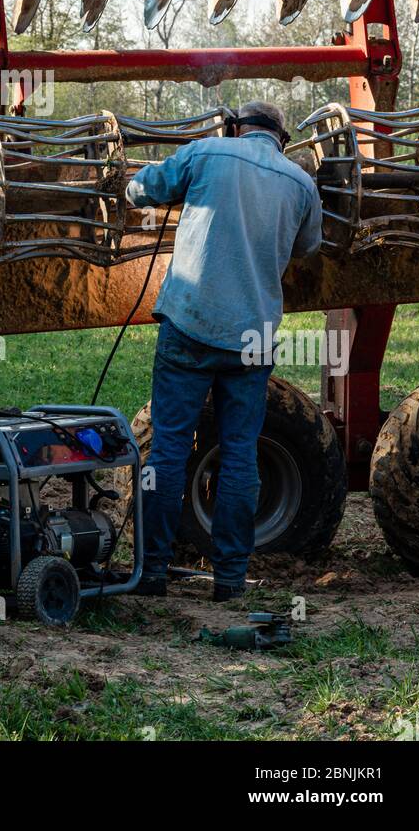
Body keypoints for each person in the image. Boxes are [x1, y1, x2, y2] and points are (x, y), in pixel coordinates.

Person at [125, 101, 322, 600]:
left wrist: (125, 181)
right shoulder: (300, 183)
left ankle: (151, 572)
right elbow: (307, 247)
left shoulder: (207, 152)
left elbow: (144, 189)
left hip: (190, 325)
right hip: (250, 337)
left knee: (168, 451)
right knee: (240, 455)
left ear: (235, 128)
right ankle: (230, 578)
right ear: (282, 138)